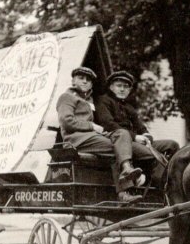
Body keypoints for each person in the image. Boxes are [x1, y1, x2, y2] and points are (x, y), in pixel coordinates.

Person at [56, 66, 144, 203]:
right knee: (117, 148)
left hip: (91, 137)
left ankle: (127, 170)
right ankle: (124, 188)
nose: (85, 82)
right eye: (80, 78)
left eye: (88, 80)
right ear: (73, 81)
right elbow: (66, 122)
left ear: (91, 84)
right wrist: (92, 126)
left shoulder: (89, 101)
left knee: (121, 135)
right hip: (76, 139)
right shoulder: (66, 97)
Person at [96, 70, 180, 189]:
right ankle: (160, 185)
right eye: (119, 86)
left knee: (172, 145)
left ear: (129, 90)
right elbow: (108, 124)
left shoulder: (128, 106)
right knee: (153, 155)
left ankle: (177, 178)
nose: (122, 89)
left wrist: (147, 135)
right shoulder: (103, 101)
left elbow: (140, 126)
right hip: (120, 141)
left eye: (126, 87)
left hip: (136, 141)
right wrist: (135, 137)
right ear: (111, 87)